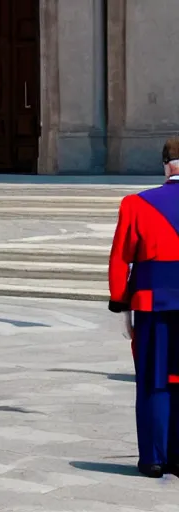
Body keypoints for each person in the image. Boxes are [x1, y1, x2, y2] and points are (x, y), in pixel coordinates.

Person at [109, 136, 179, 478]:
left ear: (166, 164)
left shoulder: (136, 205)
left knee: (154, 381)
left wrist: (121, 305)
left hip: (152, 305)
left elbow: (121, 259)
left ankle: (153, 458)